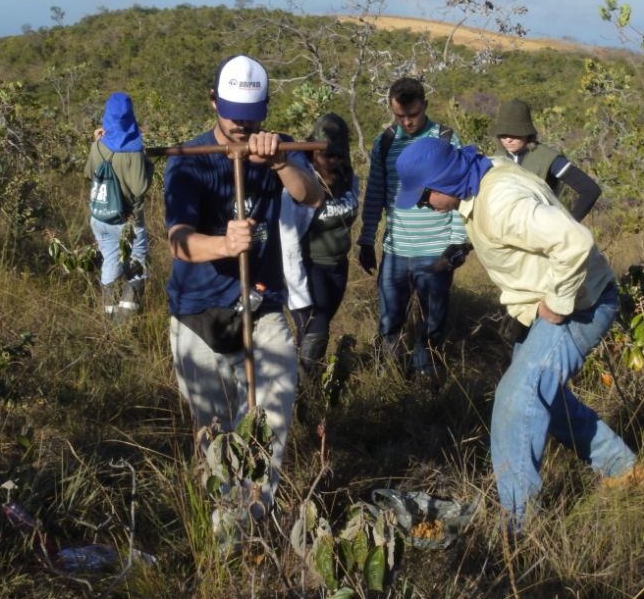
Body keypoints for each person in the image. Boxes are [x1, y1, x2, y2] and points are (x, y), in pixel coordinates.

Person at [394, 137, 644, 530]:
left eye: (424, 196)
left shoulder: (500, 202)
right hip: (564, 303)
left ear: (444, 181)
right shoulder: (483, 175)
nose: (423, 204)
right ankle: (623, 469)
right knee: (546, 398)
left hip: (581, 306)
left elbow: (575, 241)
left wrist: (559, 303)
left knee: (517, 399)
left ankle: (519, 525)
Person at [164, 55, 324, 521]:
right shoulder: (188, 162)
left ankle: (252, 515)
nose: (241, 123)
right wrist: (223, 243)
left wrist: (278, 163)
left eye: (251, 114)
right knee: (211, 432)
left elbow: (310, 194)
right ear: (212, 100)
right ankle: (222, 526)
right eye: (232, 111)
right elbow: (179, 242)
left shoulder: (277, 149)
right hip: (198, 311)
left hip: (262, 304)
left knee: (272, 414)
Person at [357, 77, 469, 379]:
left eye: (414, 115)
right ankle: (386, 378)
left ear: (425, 106)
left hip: (436, 250)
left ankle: (426, 379)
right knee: (389, 320)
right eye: (400, 116)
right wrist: (366, 239)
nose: (407, 122)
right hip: (396, 250)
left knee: (432, 322)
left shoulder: (445, 139)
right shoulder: (386, 141)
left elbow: (461, 192)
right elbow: (376, 192)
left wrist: (458, 242)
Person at [279, 112, 359, 376]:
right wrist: (298, 293)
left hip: (338, 267)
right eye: (327, 154)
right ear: (313, 150)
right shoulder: (301, 184)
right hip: (312, 268)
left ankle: (307, 385)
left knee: (318, 331)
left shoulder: (347, 178)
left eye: (338, 155)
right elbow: (288, 241)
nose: (333, 161)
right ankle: (302, 391)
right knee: (316, 331)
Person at [85, 92, 153, 318]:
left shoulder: (98, 145)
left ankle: (108, 315)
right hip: (127, 220)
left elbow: (89, 173)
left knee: (110, 260)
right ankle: (125, 323)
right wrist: (146, 162)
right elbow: (140, 188)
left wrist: (96, 142)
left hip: (100, 217)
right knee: (137, 263)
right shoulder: (134, 150)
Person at [493, 99, 601, 222]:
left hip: (541, 233)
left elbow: (590, 190)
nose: (508, 140)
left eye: (514, 134)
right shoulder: (497, 158)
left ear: (527, 133)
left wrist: (570, 223)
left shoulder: (546, 158)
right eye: (503, 134)